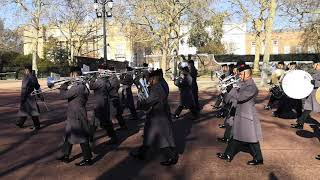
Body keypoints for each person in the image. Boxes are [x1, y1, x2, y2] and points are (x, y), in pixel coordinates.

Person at [217, 65, 263, 166]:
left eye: (241, 74)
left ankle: (258, 158)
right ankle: (228, 154)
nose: (239, 75)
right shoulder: (242, 84)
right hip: (240, 114)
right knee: (235, 136)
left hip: (247, 115)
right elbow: (233, 97)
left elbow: (241, 97)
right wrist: (225, 91)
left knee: (252, 139)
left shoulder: (252, 86)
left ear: (247, 74)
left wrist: (230, 89)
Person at [130, 69, 179, 166]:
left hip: (158, 116)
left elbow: (149, 101)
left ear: (154, 78)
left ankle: (172, 157)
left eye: (150, 78)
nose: (148, 80)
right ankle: (142, 154)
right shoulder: (161, 84)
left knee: (163, 138)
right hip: (157, 114)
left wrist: (140, 100)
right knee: (149, 136)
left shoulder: (157, 88)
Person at [56, 67, 93, 166]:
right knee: (68, 135)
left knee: (82, 137)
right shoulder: (80, 85)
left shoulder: (78, 87)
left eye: (71, 75)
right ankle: (65, 155)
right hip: (74, 113)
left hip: (76, 114)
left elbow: (63, 96)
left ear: (74, 75)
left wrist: (63, 86)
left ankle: (88, 159)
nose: (69, 77)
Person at [89, 66, 119, 144]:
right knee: (98, 121)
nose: (98, 71)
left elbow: (91, 86)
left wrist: (92, 79)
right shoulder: (106, 80)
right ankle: (90, 137)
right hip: (104, 102)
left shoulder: (100, 81)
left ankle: (90, 138)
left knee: (103, 122)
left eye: (99, 70)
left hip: (100, 104)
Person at [291, 59, 320, 130]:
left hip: (318, 95)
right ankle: (300, 124)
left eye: (314, 64)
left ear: (318, 65)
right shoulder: (316, 72)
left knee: (308, 109)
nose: (313, 66)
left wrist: (315, 83)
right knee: (307, 109)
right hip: (313, 94)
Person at [16, 65, 42, 131]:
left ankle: (37, 125)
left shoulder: (26, 77)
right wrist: (40, 95)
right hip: (32, 96)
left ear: (27, 70)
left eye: (25, 70)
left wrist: (22, 97)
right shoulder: (34, 77)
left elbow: (24, 88)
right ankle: (20, 122)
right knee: (26, 109)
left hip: (27, 96)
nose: (24, 71)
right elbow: (37, 87)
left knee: (32, 111)